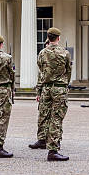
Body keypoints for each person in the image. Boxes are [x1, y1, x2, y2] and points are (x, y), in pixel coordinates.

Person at [36, 27, 71, 161]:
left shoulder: (42, 53)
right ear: (58, 38)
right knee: (56, 118)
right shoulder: (65, 53)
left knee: (45, 116)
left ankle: (44, 140)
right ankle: (53, 150)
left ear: (48, 38)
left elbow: (41, 69)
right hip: (59, 88)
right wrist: (63, 83)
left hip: (46, 88)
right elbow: (68, 71)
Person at [29, 39, 50, 149]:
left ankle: (51, 139)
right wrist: (38, 92)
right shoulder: (42, 58)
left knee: (53, 117)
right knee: (42, 116)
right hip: (44, 90)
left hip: (51, 89)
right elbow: (40, 77)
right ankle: (41, 139)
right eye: (46, 45)